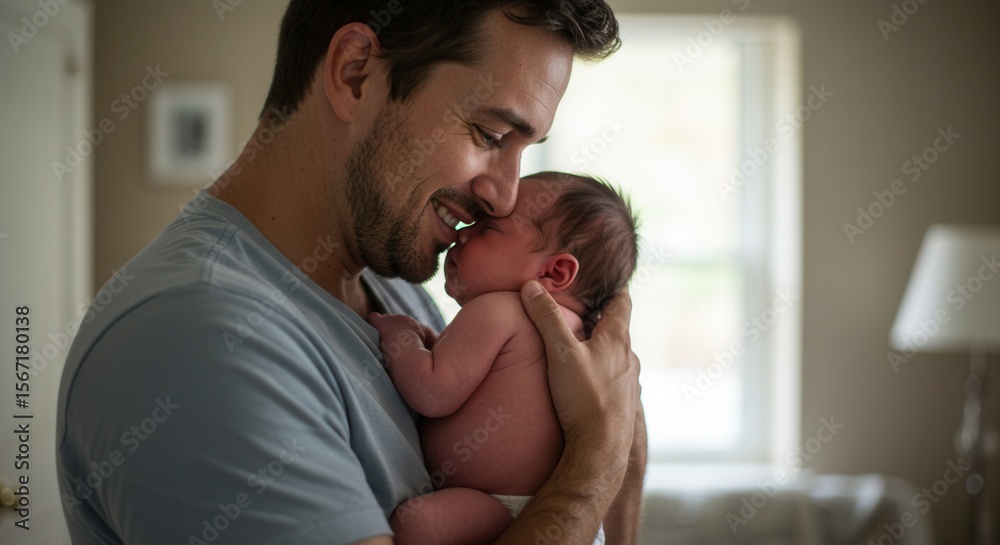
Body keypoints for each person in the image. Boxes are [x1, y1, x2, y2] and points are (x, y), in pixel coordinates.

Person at [56, 2, 646, 544]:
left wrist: (620, 460)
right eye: (489, 135)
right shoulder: (198, 340)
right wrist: (595, 462)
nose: (505, 195)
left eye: (526, 149)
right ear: (355, 72)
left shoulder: (390, 286)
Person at [370, 172, 638, 545]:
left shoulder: (499, 309)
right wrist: (433, 347)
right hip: (567, 513)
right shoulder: (582, 338)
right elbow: (484, 376)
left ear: (555, 271)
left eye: (488, 231)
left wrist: (399, 338)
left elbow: (432, 392)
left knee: (417, 526)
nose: (463, 232)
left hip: (503, 505)